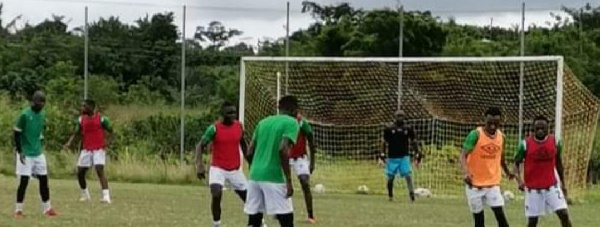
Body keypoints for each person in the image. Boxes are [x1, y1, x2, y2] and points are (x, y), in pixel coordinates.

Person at [244, 96, 300, 227]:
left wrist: (256, 166)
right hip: (274, 176)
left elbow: (249, 151)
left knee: (254, 220)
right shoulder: (291, 122)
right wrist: (289, 181)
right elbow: (282, 149)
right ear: (294, 109)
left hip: (254, 176)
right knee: (286, 219)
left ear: (279, 108)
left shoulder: (263, 122)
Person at [196, 101, 248, 227]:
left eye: (234, 112)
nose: (232, 115)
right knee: (216, 193)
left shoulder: (239, 127)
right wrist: (199, 164)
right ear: (223, 114)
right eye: (229, 112)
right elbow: (200, 145)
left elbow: (243, 145)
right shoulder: (214, 128)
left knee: (249, 199)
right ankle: (217, 224)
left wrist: (251, 161)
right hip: (218, 168)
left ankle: (260, 222)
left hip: (235, 169)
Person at [460, 107, 514, 227]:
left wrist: (507, 172)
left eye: (496, 123)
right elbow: (463, 155)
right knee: (479, 222)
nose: (493, 126)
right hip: (474, 185)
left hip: (492, 185)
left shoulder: (501, 137)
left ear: (500, 122)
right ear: (485, 120)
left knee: (501, 217)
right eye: (490, 123)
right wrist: (466, 173)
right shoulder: (475, 135)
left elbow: (501, 158)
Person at [514, 116, 571, 227]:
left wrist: (563, 184)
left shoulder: (555, 142)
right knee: (532, 222)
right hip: (533, 190)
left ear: (548, 129)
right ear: (533, 129)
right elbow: (516, 165)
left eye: (543, 128)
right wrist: (519, 180)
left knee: (564, 214)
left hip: (552, 187)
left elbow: (559, 164)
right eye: (537, 128)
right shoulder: (525, 144)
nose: (540, 131)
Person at [13, 91, 58, 217]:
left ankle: (47, 208)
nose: (41, 106)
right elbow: (17, 132)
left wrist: (40, 139)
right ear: (33, 102)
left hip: (38, 153)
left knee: (44, 180)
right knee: (24, 181)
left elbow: (39, 130)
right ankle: (18, 210)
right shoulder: (24, 115)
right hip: (25, 153)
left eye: (43, 104)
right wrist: (19, 151)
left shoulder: (42, 114)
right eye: (39, 103)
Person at [64, 99, 113, 204]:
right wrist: (69, 143)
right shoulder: (81, 119)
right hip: (86, 149)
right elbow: (76, 132)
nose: (82, 108)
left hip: (98, 149)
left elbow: (111, 131)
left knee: (99, 170)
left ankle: (106, 196)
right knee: (80, 173)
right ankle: (85, 195)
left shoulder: (102, 119)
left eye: (84, 106)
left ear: (91, 107)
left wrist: (108, 142)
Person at [379, 110, 422, 202]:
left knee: (408, 175)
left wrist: (417, 153)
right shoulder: (389, 128)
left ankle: (412, 194)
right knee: (390, 178)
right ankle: (390, 195)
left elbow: (413, 141)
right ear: (395, 117)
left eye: (402, 116)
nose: (400, 118)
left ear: (404, 117)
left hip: (404, 157)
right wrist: (382, 155)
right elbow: (384, 142)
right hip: (392, 157)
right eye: (398, 116)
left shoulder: (408, 128)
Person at [289, 113, 317, 223]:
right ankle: (280, 212)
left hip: (299, 157)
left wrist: (312, 162)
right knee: (281, 185)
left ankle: (310, 215)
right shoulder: (282, 121)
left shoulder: (301, 122)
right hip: (284, 156)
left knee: (305, 183)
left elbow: (311, 140)